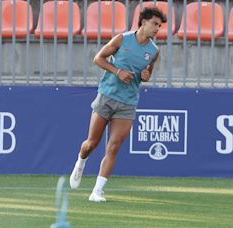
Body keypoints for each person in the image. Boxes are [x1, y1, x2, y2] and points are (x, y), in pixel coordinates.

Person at [69, 7, 167, 202]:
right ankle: (80, 162)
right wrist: (117, 72)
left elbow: (146, 75)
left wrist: (146, 77)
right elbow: (98, 58)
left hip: (128, 103)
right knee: (91, 144)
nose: (157, 28)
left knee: (113, 146)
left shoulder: (154, 52)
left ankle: (97, 191)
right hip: (107, 96)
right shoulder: (122, 39)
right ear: (143, 22)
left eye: (159, 25)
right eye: (155, 24)